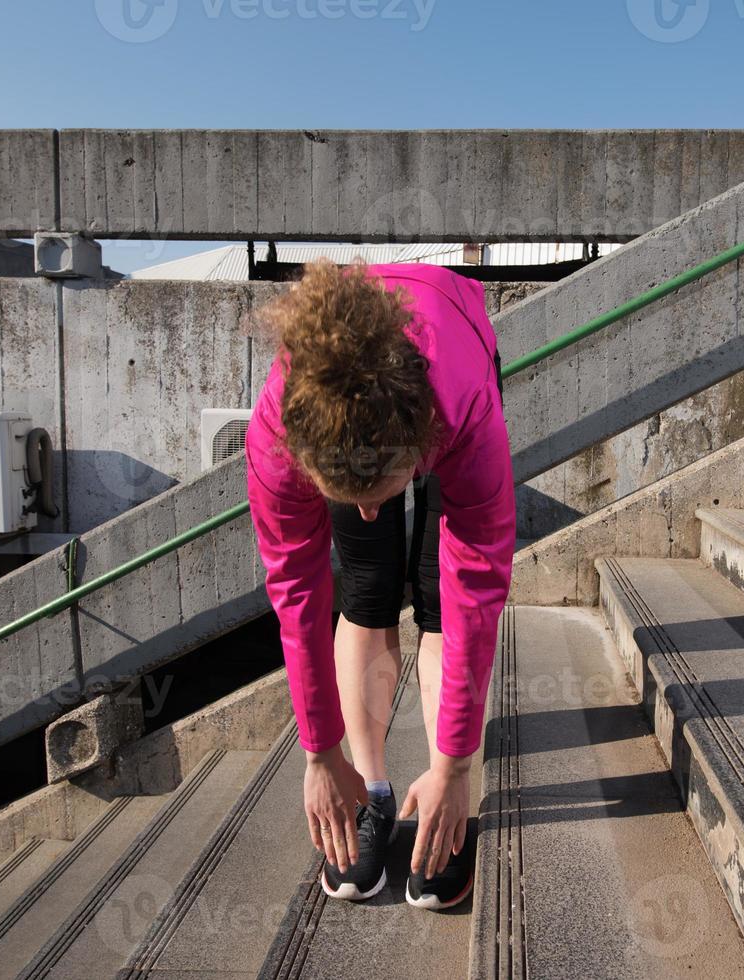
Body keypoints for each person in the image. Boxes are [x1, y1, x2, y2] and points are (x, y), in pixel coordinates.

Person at [244, 259, 515, 910]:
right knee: (364, 587)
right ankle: (374, 791)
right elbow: (298, 593)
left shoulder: (465, 411)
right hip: (347, 399)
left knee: (436, 597)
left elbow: (475, 590)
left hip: (448, 346)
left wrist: (456, 765)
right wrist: (319, 753)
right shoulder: (279, 433)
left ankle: (436, 791)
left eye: (380, 494)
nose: (367, 511)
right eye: (348, 496)